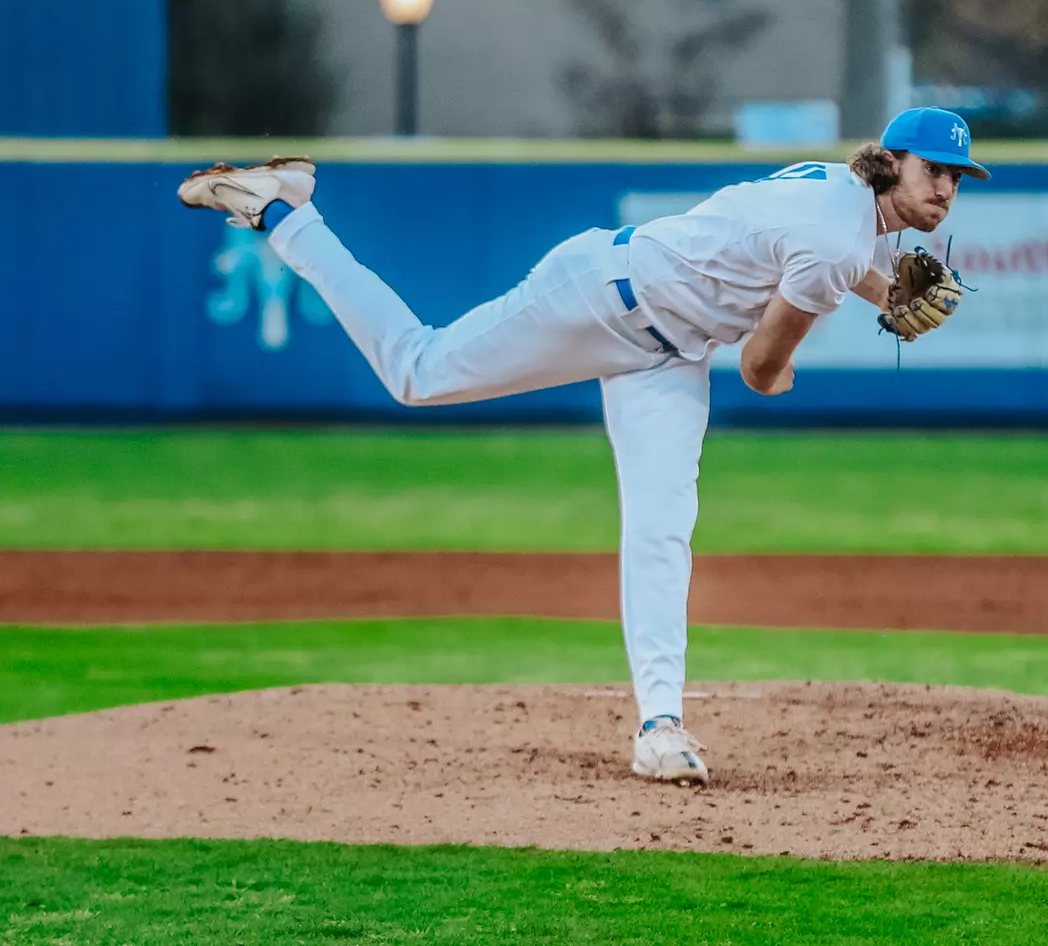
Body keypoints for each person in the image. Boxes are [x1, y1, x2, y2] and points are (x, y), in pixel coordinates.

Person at [175, 107, 989, 785]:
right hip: (600, 298)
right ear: (891, 163)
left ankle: (661, 727)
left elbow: (816, 258)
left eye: (958, 177)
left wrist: (885, 292)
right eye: (934, 171)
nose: (946, 189)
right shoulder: (843, 237)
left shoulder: (842, 195)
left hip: (668, 354)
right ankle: (284, 211)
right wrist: (803, 366)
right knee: (418, 370)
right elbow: (762, 367)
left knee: (662, 526)